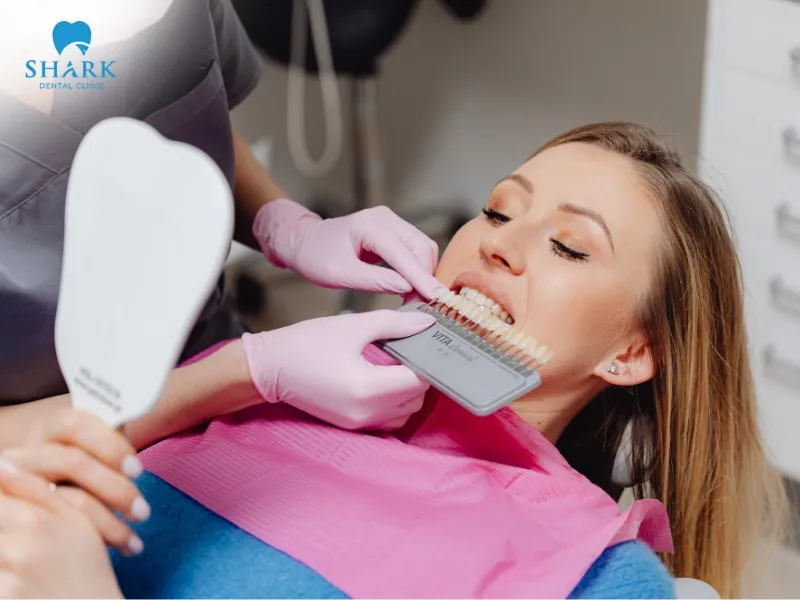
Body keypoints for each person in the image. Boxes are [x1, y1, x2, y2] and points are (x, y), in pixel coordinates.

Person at [0, 122, 788, 599]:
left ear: (630, 352)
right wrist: (243, 370)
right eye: (498, 209)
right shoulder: (261, 387)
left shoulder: (596, 575)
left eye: (567, 245)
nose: (497, 243)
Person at [0, 0, 443, 442]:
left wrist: (286, 223)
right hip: (46, 466)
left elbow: (182, 110)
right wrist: (247, 371)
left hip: (219, 361)